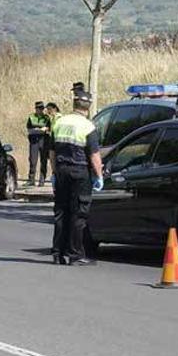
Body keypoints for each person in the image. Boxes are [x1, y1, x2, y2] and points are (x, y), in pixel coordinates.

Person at [49, 90, 103, 266]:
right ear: (88, 107)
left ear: (74, 104)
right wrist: (99, 175)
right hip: (80, 173)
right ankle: (75, 255)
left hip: (62, 171)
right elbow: (94, 155)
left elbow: (51, 152)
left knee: (61, 212)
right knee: (78, 214)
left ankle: (58, 253)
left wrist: (54, 172)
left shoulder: (59, 122)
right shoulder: (88, 126)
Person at [26, 101, 52, 186]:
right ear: (36, 109)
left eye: (42, 108)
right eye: (39, 108)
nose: (41, 110)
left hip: (44, 140)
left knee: (43, 160)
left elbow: (49, 129)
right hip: (34, 140)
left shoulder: (46, 118)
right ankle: (31, 179)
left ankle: (42, 180)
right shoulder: (31, 117)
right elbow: (29, 129)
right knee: (33, 160)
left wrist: (43, 129)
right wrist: (38, 130)